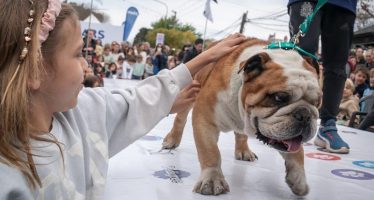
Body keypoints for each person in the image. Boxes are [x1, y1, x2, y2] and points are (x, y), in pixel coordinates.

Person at [0, 1, 246, 199]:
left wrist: (199, 63)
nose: (87, 67)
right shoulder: (8, 175)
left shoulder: (81, 113)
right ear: (35, 71)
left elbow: (133, 102)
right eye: (77, 54)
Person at [288, 0, 357, 153]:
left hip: (344, 5)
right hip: (305, 2)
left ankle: (328, 126)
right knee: (302, 56)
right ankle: (289, 118)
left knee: (337, 65)